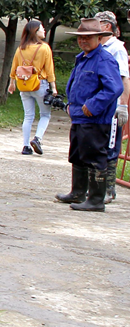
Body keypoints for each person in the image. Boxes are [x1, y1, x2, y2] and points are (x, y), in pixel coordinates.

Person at [55, 18, 122, 211]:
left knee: (95, 156)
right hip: (79, 116)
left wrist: (93, 105)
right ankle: (77, 192)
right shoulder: (83, 58)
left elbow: (114, 88)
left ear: (99, 38)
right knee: (77, 154)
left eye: (88, 38)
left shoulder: (104, 59)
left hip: (95, 119)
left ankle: (95, 199)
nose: (83, 41)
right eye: (80, 38)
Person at [6, 19, 57, 155]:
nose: (44, 30)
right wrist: (54, 88)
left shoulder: (21, 48)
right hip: (40, 84)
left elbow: (14, 67)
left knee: (28, 116)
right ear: (35, 31)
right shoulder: (44, 48)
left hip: (24, 85)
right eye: (41, 28)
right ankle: (37, 139)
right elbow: (50, 70)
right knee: (45, 114)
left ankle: (26, 146)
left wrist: (12, 84)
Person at [95, 10, 128, 203]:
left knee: (110, 147)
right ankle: (97, 187)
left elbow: (124, 78)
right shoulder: (99, 47)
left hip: (113, 107)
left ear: (107, 26)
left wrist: (123, 105)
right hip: (99, 107)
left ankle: (109, 189)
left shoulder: (117, 49)